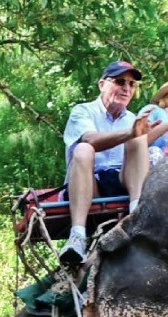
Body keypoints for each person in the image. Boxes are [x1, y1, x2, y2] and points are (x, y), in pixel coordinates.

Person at [59, 60, 153, 265]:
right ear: (102, 85)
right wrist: (131, 133)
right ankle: (77, 236)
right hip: (89, 184)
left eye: (131, 84)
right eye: (120, 81)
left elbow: (142, 142)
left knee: (140, 139)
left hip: (122, 182)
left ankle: (137, 216)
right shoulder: (82, 111)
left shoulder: (133, 119)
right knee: (83, 149)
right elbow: (90, 139)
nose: (127, 88)